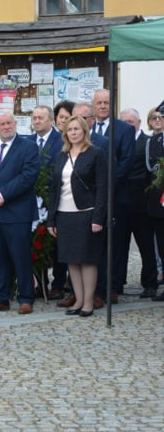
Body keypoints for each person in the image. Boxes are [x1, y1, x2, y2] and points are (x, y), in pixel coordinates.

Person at [0, 110, 41, 314]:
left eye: (9, 123)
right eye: (1, 124)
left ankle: (26, 298)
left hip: (17, 211)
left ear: (15, 124)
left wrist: (3, 195)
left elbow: (28, 176)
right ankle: (1, 297)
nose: (6, 127)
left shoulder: (28, 147)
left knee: (20, 257)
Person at [47, 115, 107, 317]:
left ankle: (88, 302)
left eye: (77, 129)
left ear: (85, 131)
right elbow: (55, 189)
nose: (73, 133)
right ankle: (78, 299)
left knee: (87, 260)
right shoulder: (61, 155)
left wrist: (98, 218)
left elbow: (103, 188)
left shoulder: (96, 154)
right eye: (70, 129)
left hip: (86, 214)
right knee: (71, 259)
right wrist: (51, 219)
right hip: (64, 214)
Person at [90, 89, 134, 303]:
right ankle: (94, 287)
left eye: (106, 102)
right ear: (93, 105)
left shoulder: (124, 129)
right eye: (99, 102)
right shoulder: (87, 129)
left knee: (115, 245)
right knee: (95, 244)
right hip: (91, 199)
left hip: (116, 196)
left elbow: (126, 162)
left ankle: (113, 287)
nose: (103, 106)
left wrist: (105, 188)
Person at [27, 105, 64, 298]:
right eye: (34, 118)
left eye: (41, 118)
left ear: (51, 120)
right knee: (36, 241)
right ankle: (39, 282)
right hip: (32, 198)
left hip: (54, 198)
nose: (37, 121)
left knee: (56, 243)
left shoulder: (61, 141)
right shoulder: (27, 141)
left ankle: (58, 284)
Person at [119, 107, 157, 298]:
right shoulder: (116, 141)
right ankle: (117, 283)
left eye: (130, 122)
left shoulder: (148, 142)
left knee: (146, 247)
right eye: (123, 122)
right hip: (120, 203)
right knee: (119, 247)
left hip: (141, 204)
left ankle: (149, 283)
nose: (127, 126)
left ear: (139, 123)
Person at [147, 104, 164, 301]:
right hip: (158, 202)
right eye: (155, 117)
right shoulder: (152, 142)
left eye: (161, 117)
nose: (158, 120)